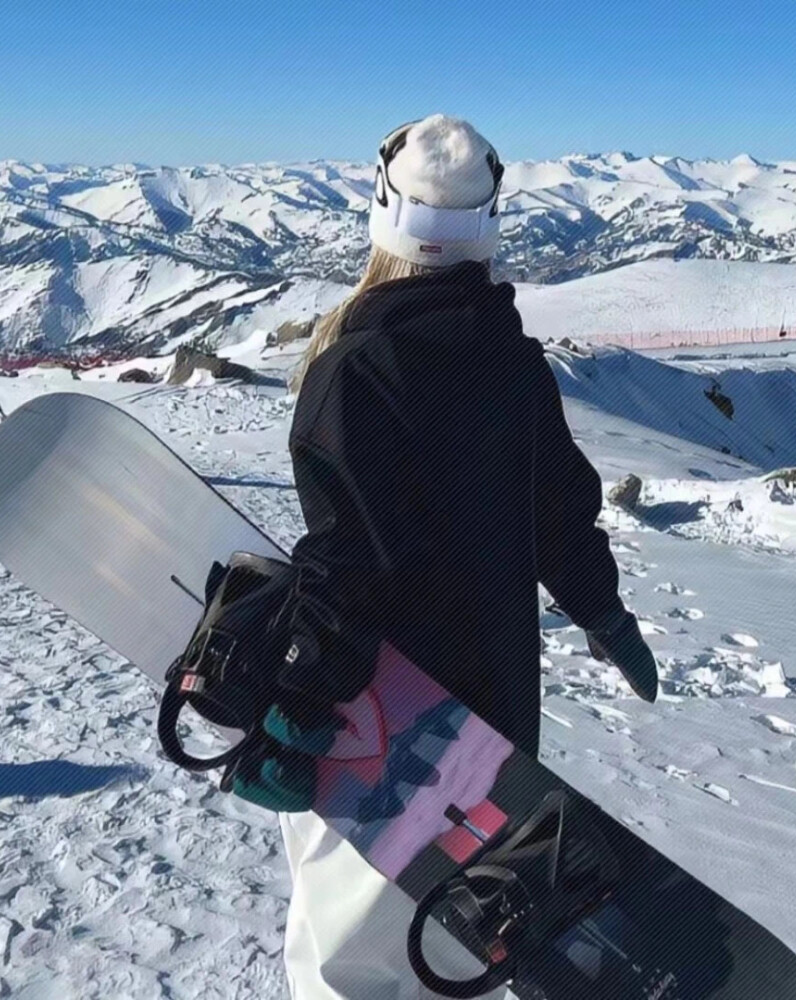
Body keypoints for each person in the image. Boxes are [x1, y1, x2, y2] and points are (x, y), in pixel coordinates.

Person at [227, 114, 659, 999]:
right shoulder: (512, 359)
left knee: (350, 959)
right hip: (492, 718)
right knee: (453, 951)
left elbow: (351, 552)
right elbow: (560, 513)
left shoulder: (356, 361)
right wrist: (601, 609)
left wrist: (303, 692)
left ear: (384, 213)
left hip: (376, 720)